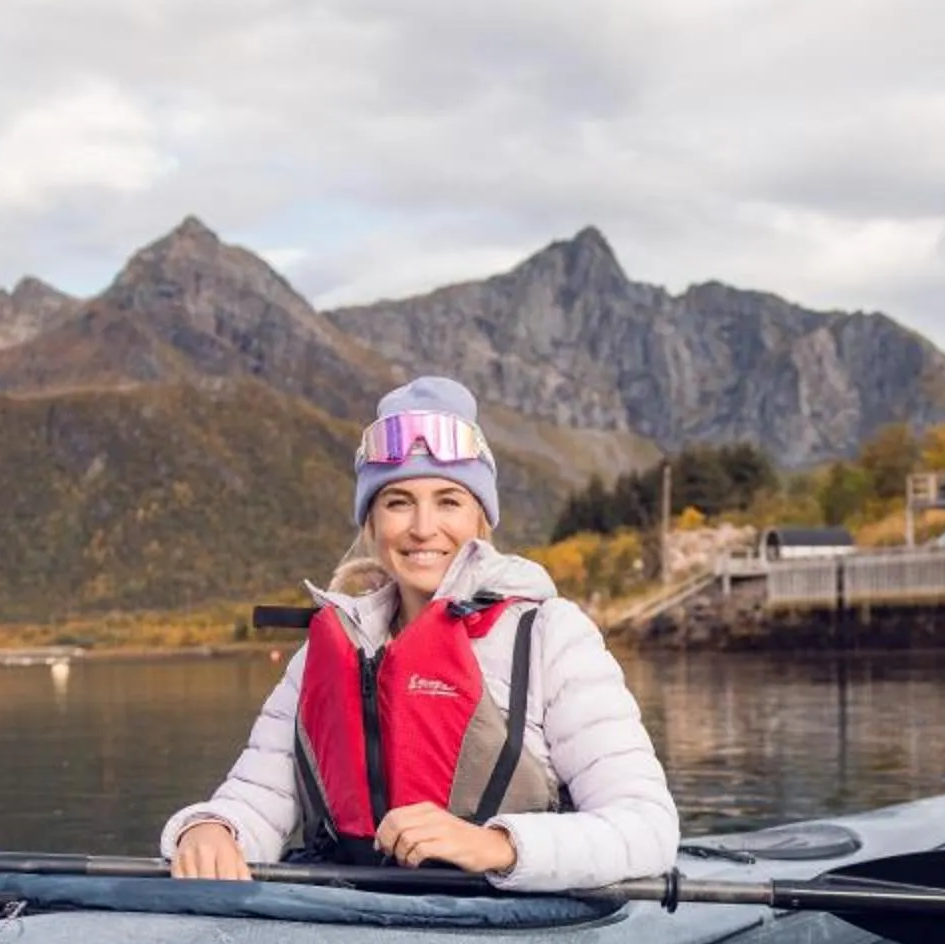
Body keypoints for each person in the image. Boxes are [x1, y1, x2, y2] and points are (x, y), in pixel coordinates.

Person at [160, 377, 677, 890]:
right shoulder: (324, 650)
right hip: (353, 920)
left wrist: (498, 846)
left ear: (481, 518)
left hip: (508, 927)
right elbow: (254, 801)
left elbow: (648, 827)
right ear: (371, 524)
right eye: (398, 502)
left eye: (449, 501)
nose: (423, 528)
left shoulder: (552, 636)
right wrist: (211, 827)